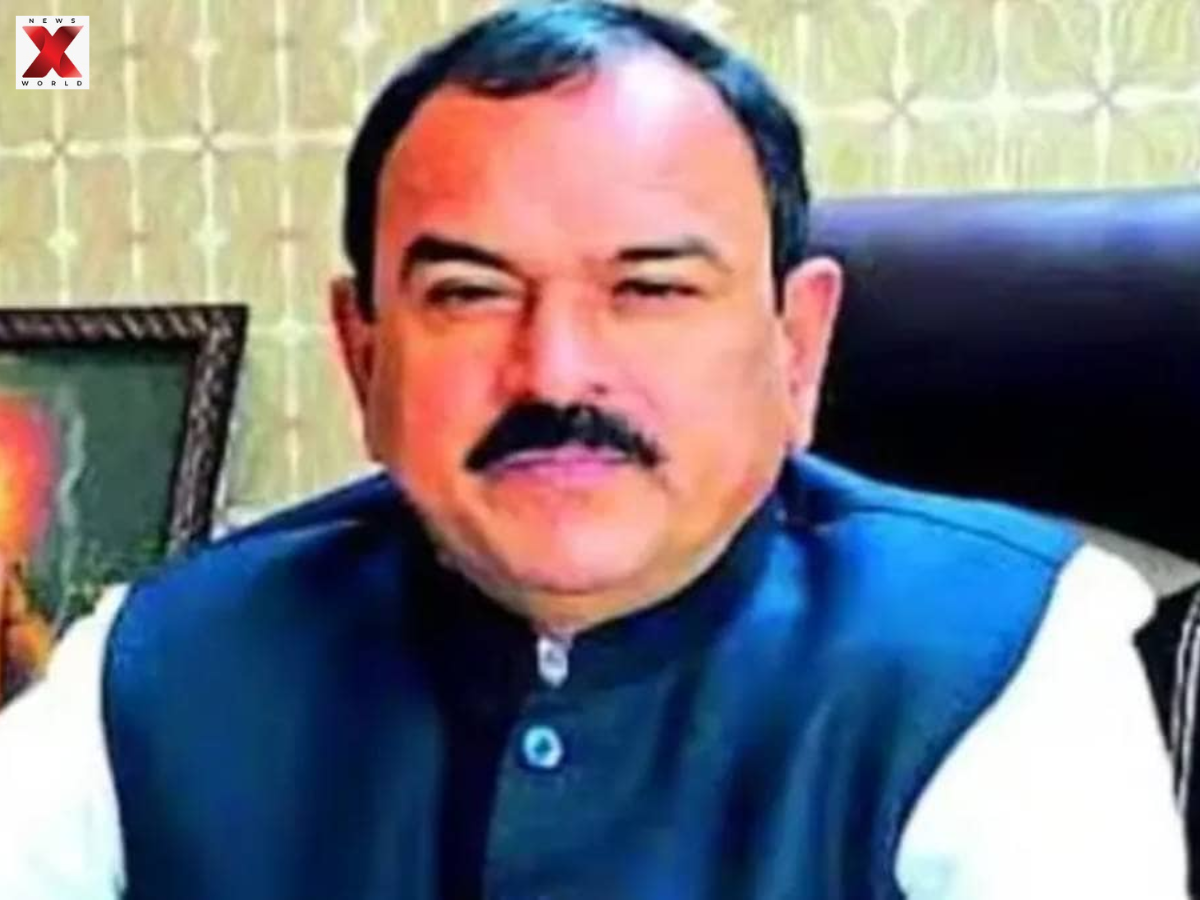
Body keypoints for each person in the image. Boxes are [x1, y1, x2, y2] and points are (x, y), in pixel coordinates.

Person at [0, 2, 1186, 897]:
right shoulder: (154, 667)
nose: (557, 372)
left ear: (797, 346)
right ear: (365, 357)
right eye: (469, 293)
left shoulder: (1001, 661)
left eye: (652, 288)